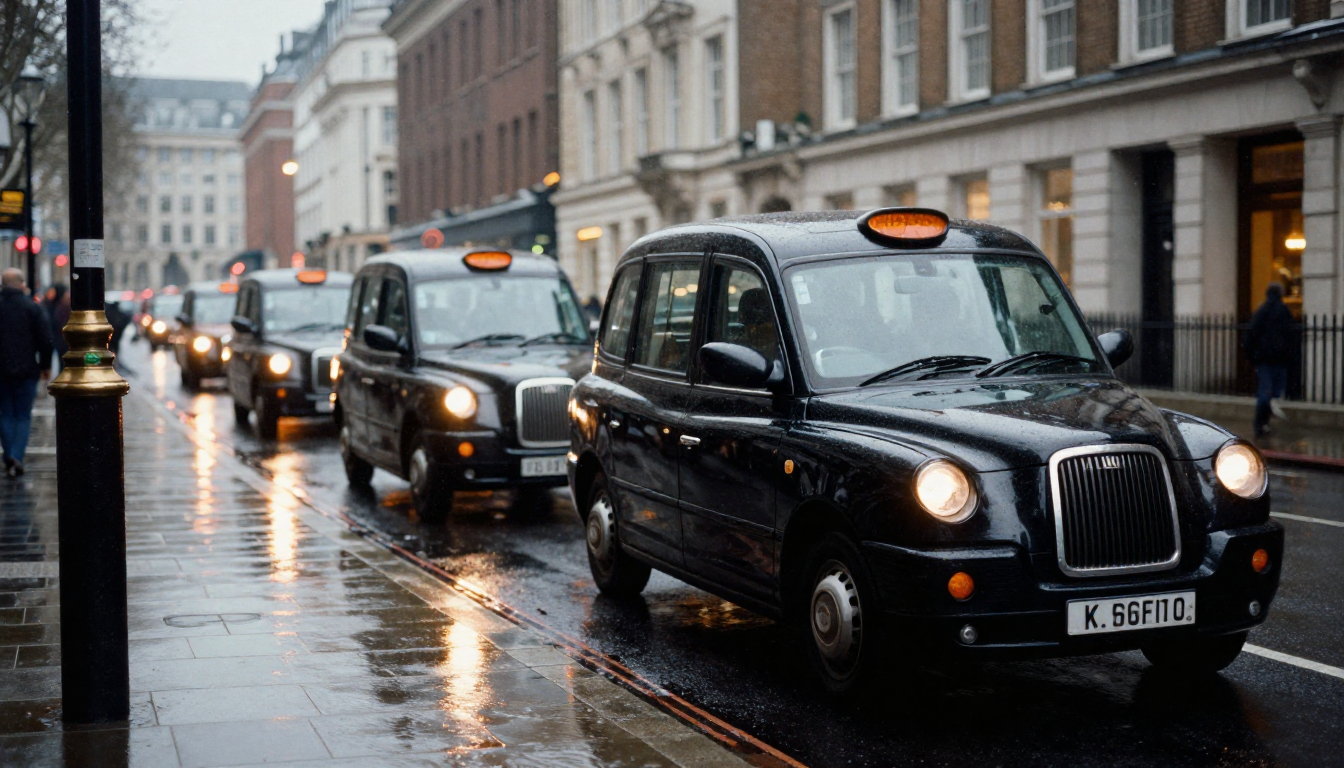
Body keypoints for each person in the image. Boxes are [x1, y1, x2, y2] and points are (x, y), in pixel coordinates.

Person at [0, 268, 55, 477]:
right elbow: (45, 340)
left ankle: (10, 454)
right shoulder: (32, 308)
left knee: (6, 413)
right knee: (23, 415)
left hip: (1, 371)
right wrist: (45, 366)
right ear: (22, 284)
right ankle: (17, 455)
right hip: (26, 370)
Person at [1246, 282, 1295, 437]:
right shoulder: (1284, 311)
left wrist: (1254, 356)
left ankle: (1261, 423)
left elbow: (1251, 335)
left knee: (1265, 393)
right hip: (1278, 358)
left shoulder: (1262, 311)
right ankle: (1263, 423)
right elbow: (1290, 335)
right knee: (1273, 393)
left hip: (1265, 359)